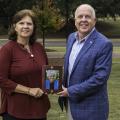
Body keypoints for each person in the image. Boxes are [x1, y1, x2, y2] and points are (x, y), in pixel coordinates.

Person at [58, 4, 113, 120]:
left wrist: (70, 91)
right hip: (71, 104)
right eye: (80, 16)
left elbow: (99, 78)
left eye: (87, 16)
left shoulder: (104, 44)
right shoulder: (71, 38)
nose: (83, 20)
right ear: (75, 21)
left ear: (94, 20)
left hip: (91, 109)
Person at [0, 9, 50, 120]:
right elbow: (1, 79)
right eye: (21, 23)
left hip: (39, 107)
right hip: (16, 110)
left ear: (33, 27)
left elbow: (47, 71)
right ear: (15, 27)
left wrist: (51, 86)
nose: (25, 26)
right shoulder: (7, 49)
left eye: (29, 23)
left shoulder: (39, 47)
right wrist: (29, 90)